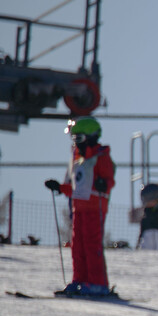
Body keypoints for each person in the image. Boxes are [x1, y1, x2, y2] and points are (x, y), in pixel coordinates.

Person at [44, 117, 115, 296]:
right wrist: (60, 187)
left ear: (91, 137)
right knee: (78, 246)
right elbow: (76, 187)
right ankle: (80, 280)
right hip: (79, 208)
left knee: (92, 244)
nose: (76, 143)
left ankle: (97, 283)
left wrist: (104, 184)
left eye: (79, 138)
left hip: (95, 207)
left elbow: (109, 180)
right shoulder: (77, 160)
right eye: (74, 139)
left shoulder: (101, 157)